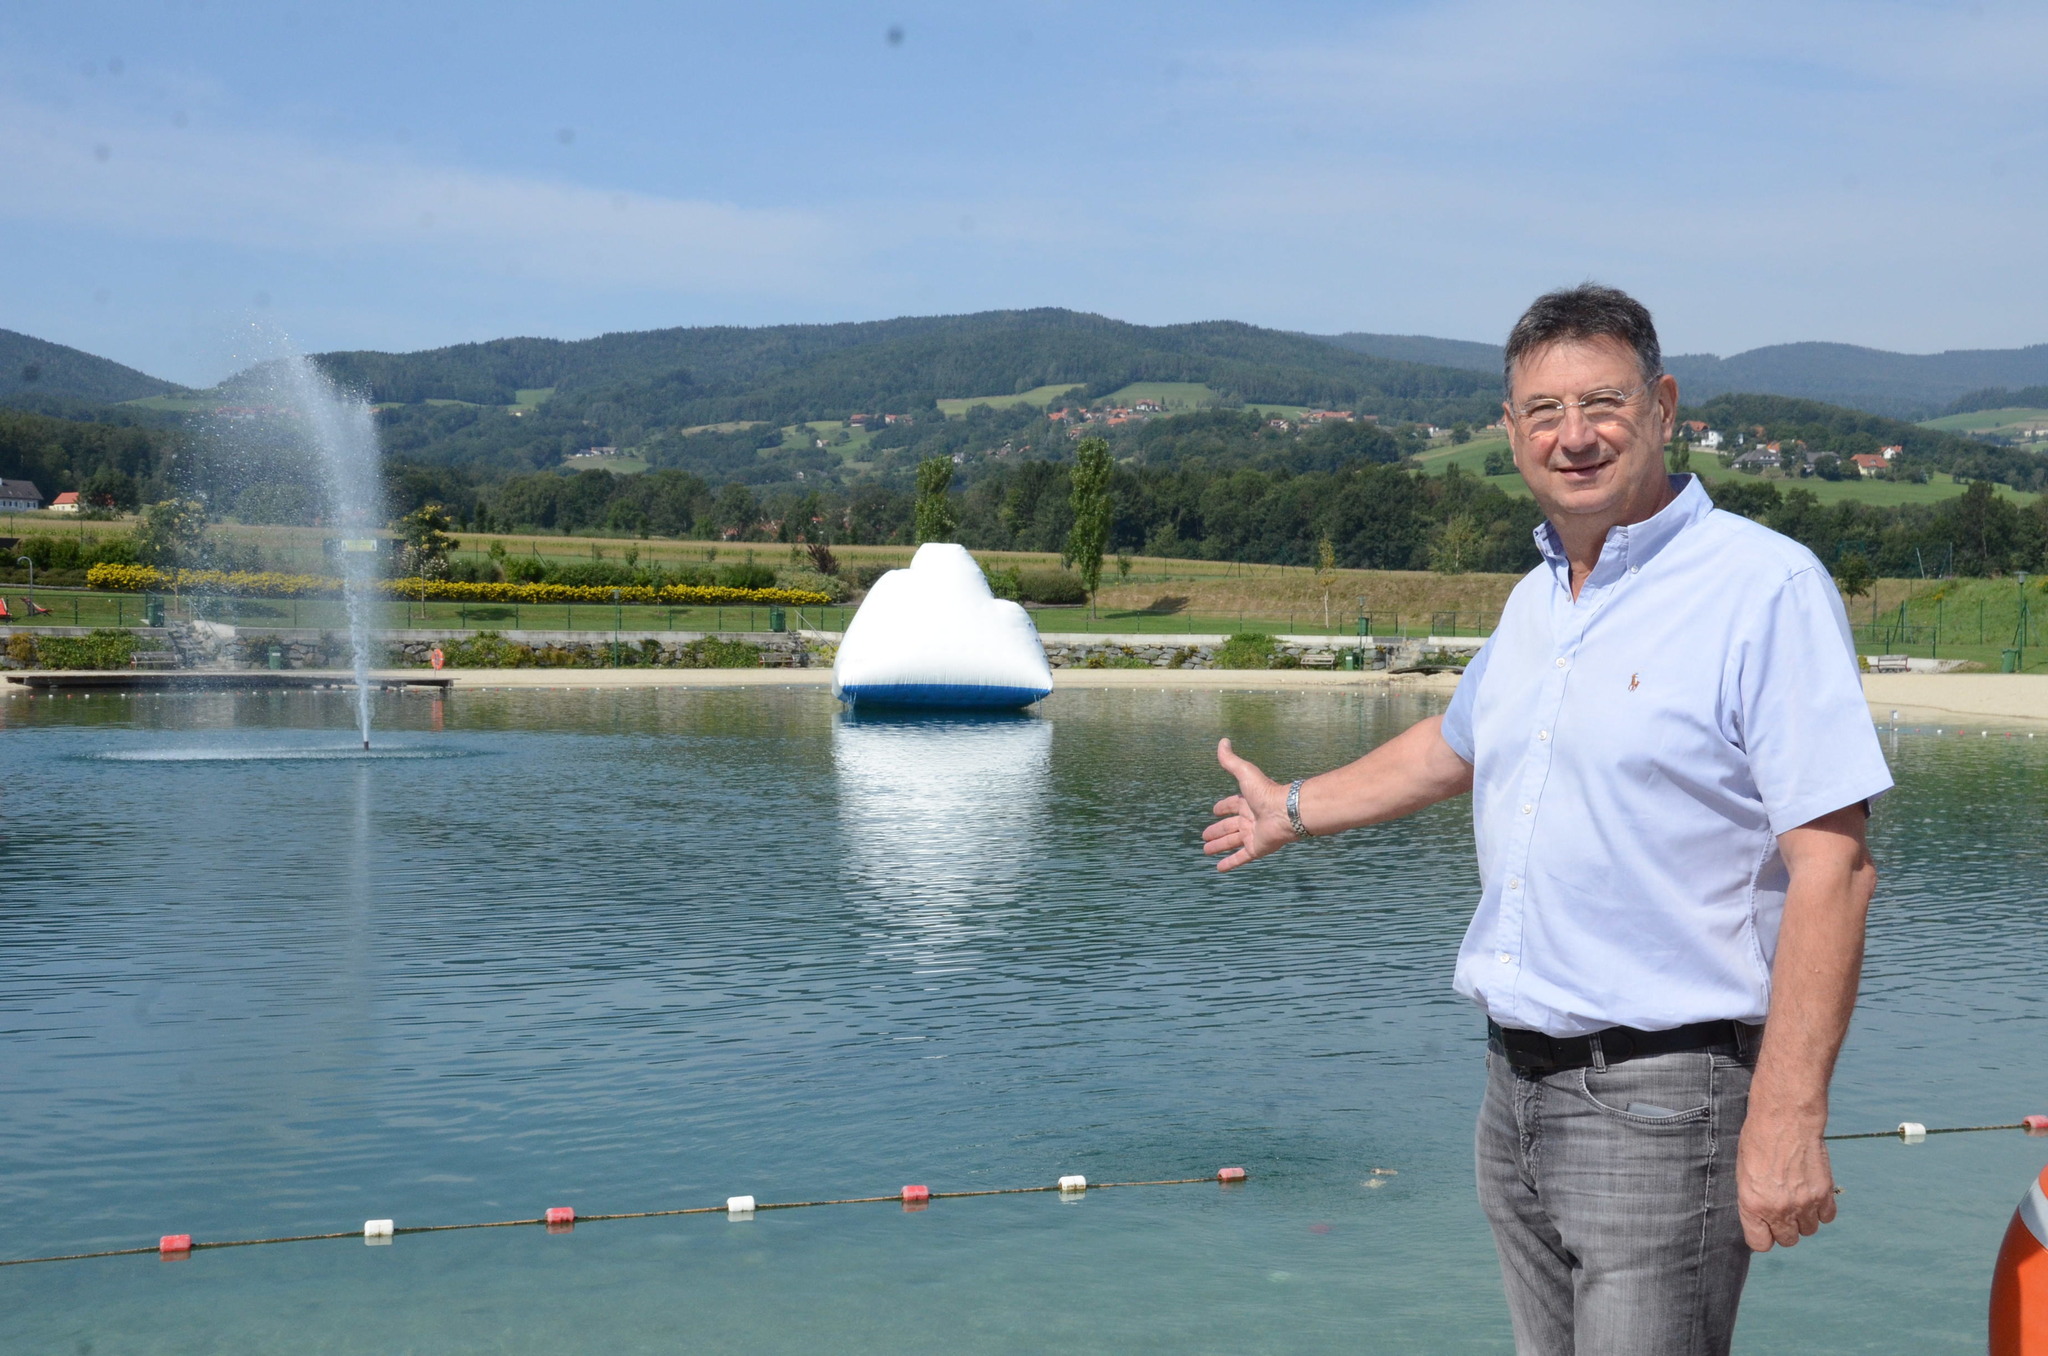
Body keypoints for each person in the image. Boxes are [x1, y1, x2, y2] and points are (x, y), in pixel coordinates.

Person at [1202, 284, 1890, 1355]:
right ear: (1509, 431)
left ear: (1661, 406)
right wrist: (1294, 809)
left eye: (1602, 403)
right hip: (1512, 1087)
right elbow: (1454, 744)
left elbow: (1833, 869)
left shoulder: (1760, 588)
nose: (1573, 435)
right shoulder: (1538, 599)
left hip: (1665, 1099)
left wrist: (1788, 1117)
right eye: (1542, 412)